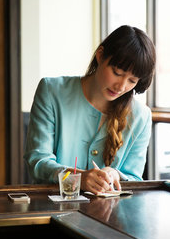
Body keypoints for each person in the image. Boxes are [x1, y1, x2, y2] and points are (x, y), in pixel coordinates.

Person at [24, 25, 156, 194]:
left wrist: (114, 173)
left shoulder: (141, 116)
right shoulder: (51, 91)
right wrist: (77, 177)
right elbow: (38, 161)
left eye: (132, 80)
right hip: (52, 209)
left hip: (110, 215)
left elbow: (134, 178)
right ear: (100, 55)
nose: (121, 86)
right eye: (117, 72)